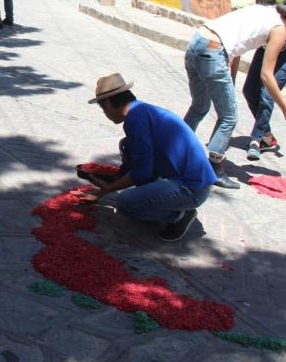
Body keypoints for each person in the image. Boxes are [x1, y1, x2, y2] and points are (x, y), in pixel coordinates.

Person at [183, 0, 286, 189]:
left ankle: (173, 148)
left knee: (200, 106)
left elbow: (234, 50)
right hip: (213, 51)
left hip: (197, 41)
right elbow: (267, 75)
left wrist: (230, 80)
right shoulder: (278, 29)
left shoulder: (261, 9)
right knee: (229, 117)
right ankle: (213, 169)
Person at [79, 73, 216, 242]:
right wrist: (117, 177)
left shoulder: (135, 119)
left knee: (125, 203)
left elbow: (143, 171)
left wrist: (106, 190)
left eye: (103, 109)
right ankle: (171, 201)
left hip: (192, 188)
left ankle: (179, 216)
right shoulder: (141, 110)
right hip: (187, 178)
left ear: (108, 104)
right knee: (127, 145)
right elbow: (139, 158)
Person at [229, 0, 286, 161]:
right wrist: (231, 81)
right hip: (266, 50)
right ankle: (267, 136)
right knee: (249, 91)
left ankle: (256, 140)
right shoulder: (247, 20)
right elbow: (237, 52)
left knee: (267, 93)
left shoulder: (283, 20)